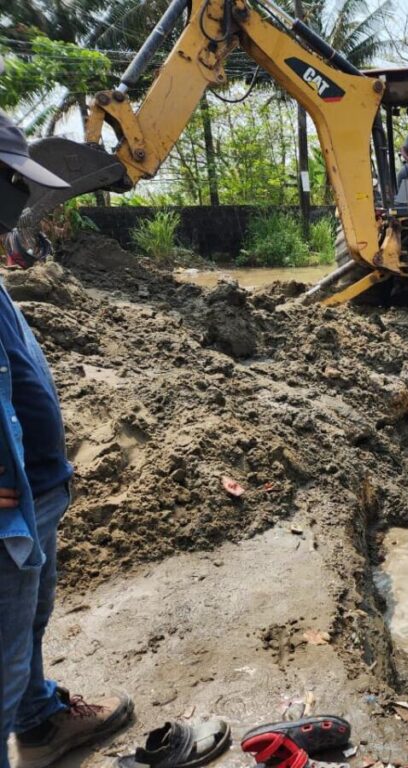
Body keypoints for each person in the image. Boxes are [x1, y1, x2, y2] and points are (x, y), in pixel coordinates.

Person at [0, 110, 133, 768]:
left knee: (28, 626)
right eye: (11, 185)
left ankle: (42, 721)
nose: (20, 202)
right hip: (8, 516)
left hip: (34, 497)